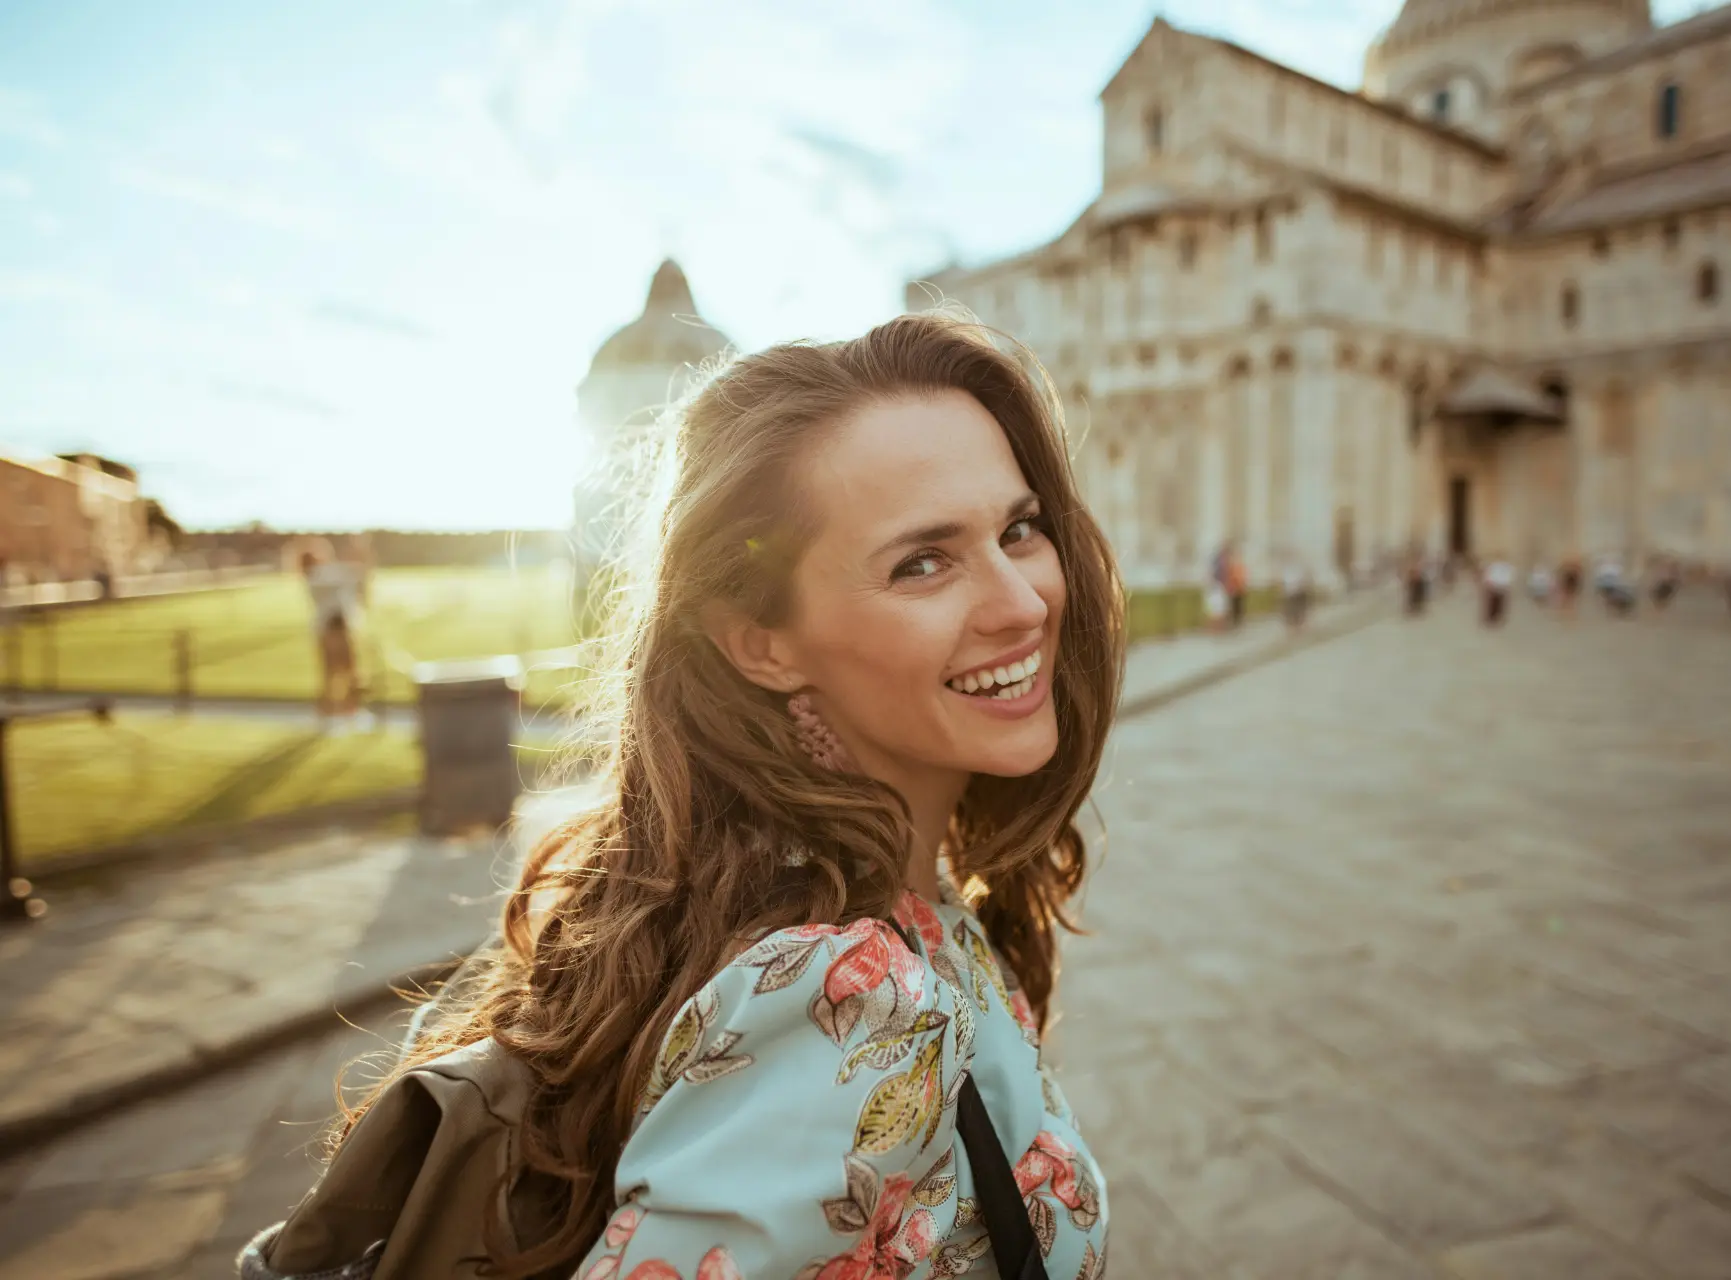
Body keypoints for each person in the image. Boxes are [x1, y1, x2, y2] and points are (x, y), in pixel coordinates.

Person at [242, 313, 1121, 1279]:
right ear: (760, 640)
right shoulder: (846, 1001)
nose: (1025, 602)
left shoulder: (787, 891)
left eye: (1019, 529)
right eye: (924, 561)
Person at [299, 543, 366, 725]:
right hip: (333, 630)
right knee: (338, 674)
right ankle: (335, 712)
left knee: (343, 674)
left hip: (336, 628)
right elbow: (350, 572)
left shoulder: (321, 574)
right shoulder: (317, 576)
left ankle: (342, 711)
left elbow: (352, 576)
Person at [1482, 554, 1514, 626]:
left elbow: (1508, 577)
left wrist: (1507, 586)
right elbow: (1488, 575)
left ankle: (1496, 617)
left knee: (1499, 603)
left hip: (1501, 587)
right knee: (1493, 603)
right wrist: (1488, 584)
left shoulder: (1506, 567)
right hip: (1494, 587)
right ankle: (1492, 618)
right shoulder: (1494, 566)